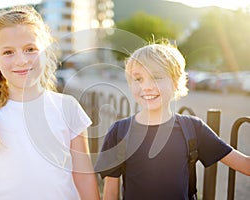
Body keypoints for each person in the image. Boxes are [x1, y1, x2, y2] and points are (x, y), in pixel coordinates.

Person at [0, 6, 100, 200]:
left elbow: (85, 180)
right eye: (8, 52)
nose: (21, 60)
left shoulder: (68, 108)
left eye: (30, 49)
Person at [95, 39, 250, 200]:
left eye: (156, 77)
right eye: (138, 79)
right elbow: (110, 195)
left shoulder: (193, 129)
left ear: (176, 82)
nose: (146, 86)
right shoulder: (119, 132)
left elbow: (245, 165)